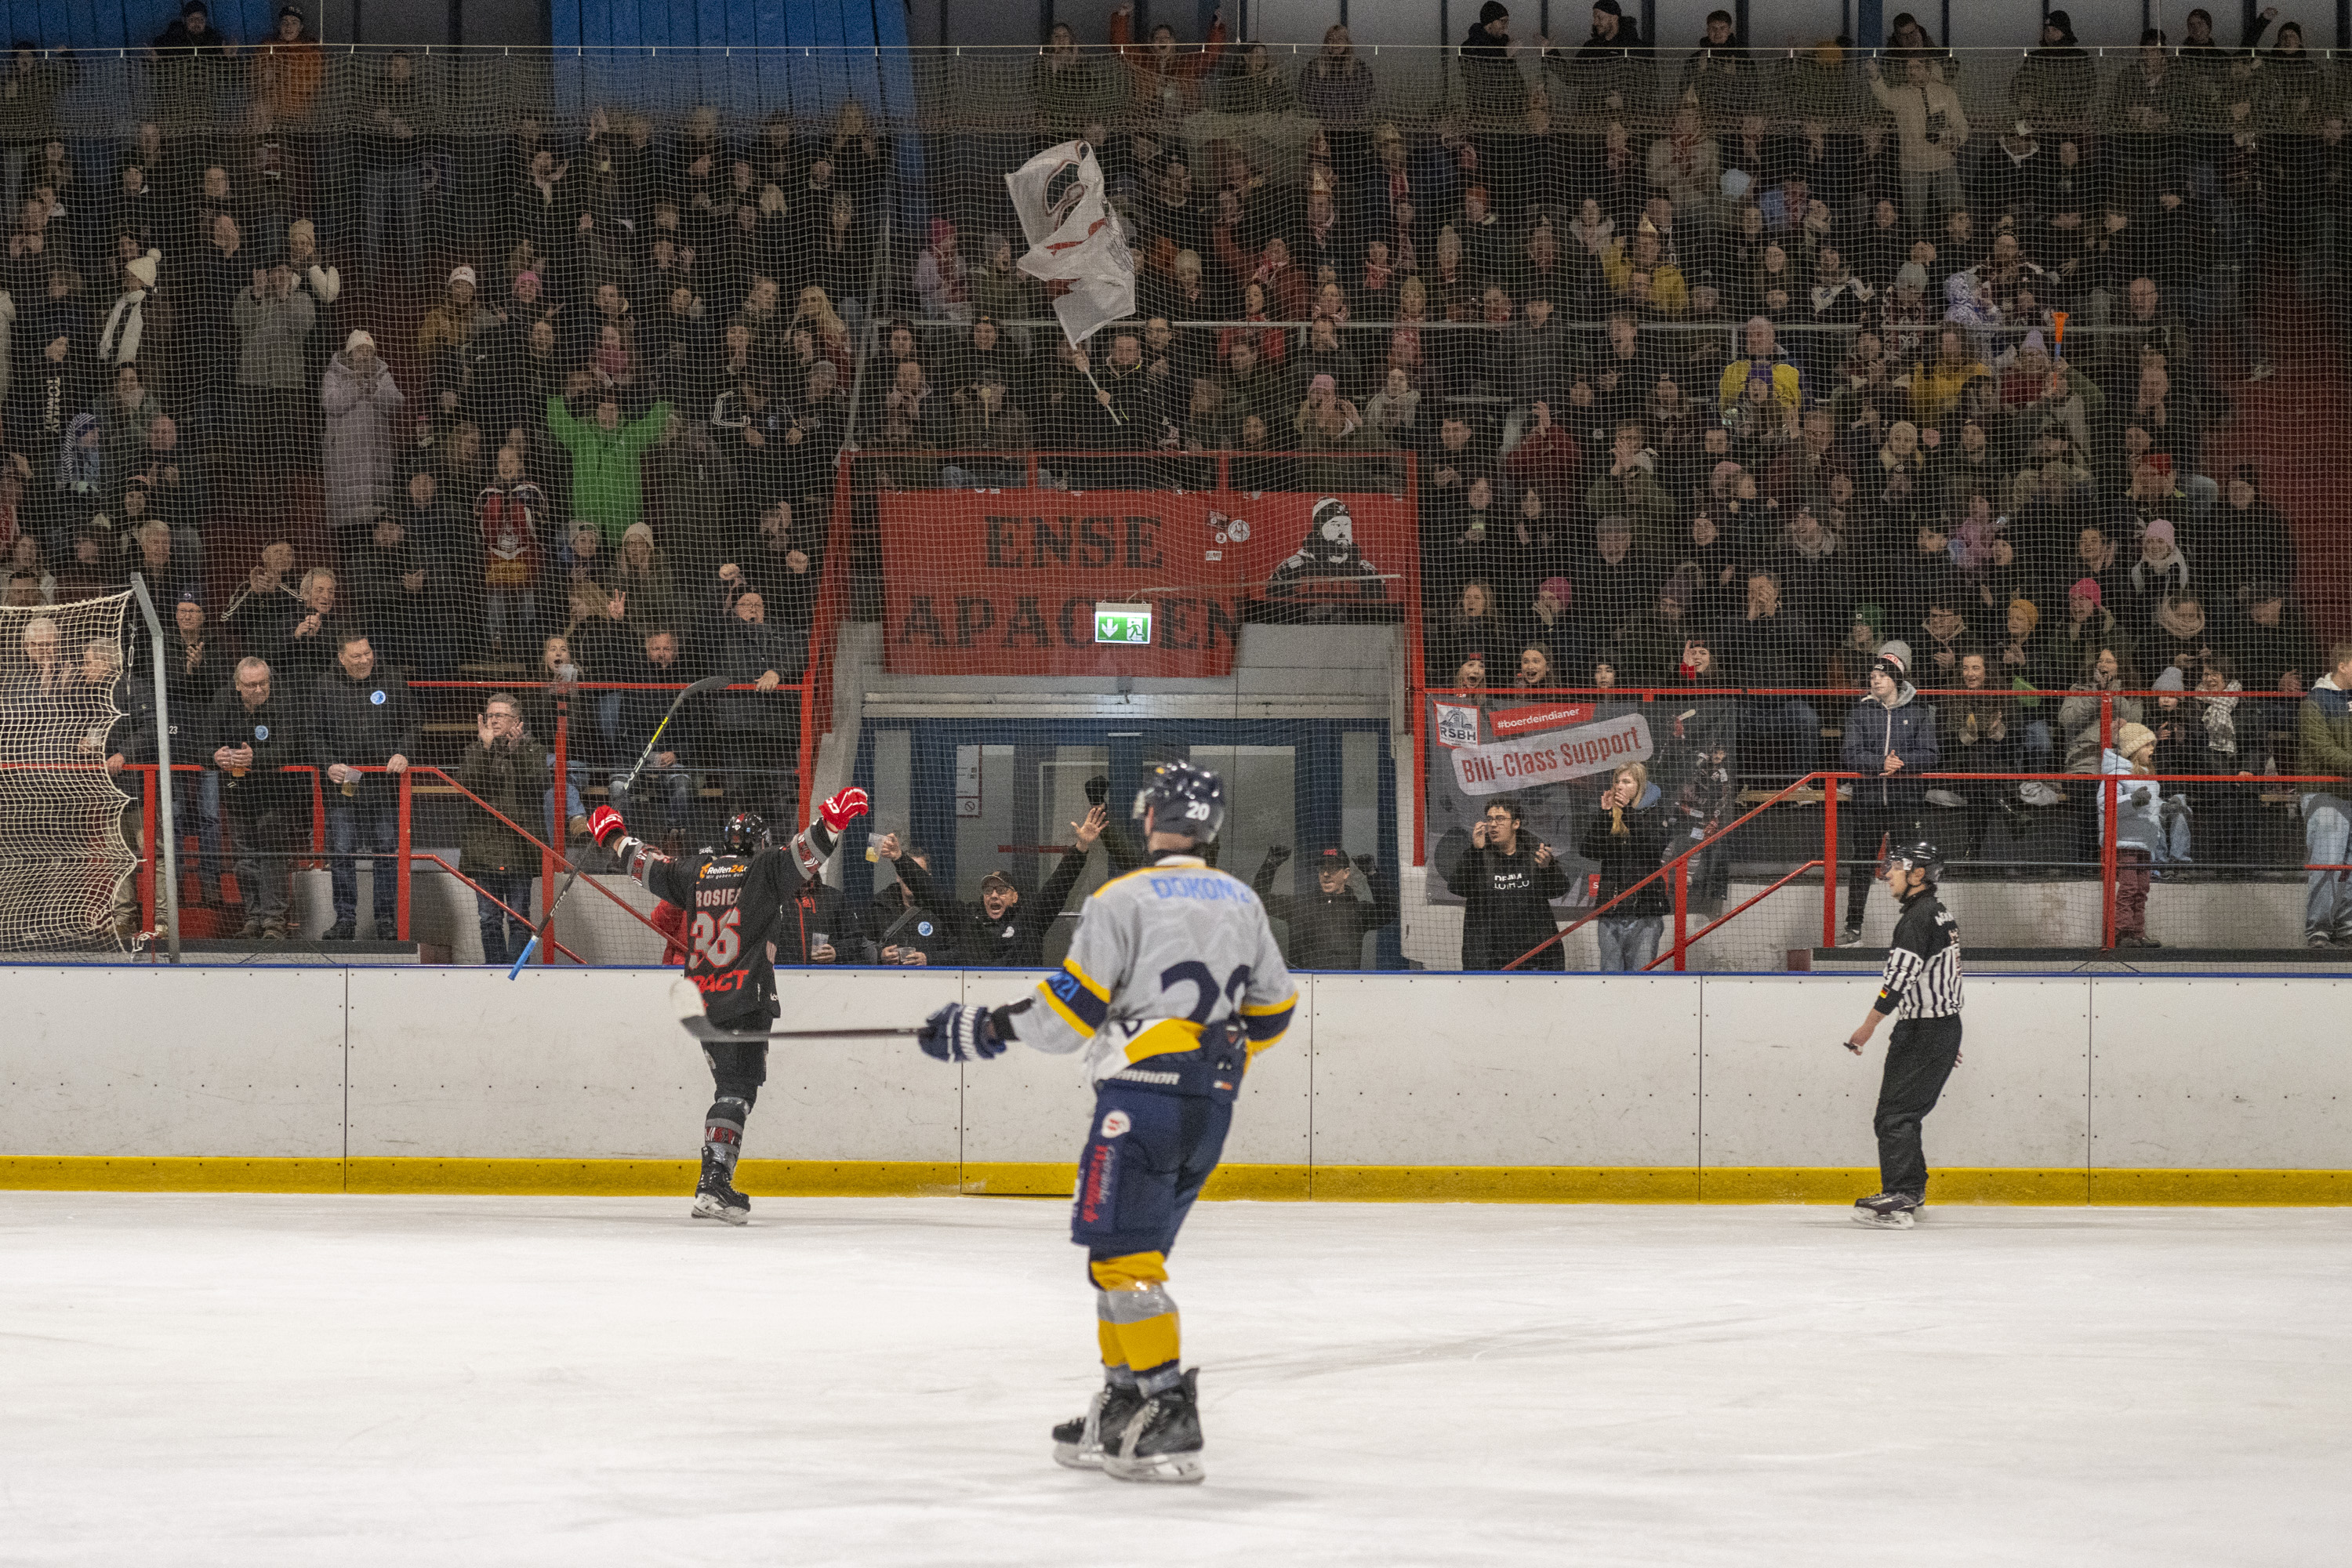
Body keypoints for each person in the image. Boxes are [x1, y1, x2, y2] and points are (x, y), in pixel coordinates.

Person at [912, 761, 1294, 1485]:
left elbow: (1066, 1018)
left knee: (1124, 1260)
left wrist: (977, 1029)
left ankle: (1165, 1403)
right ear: (1209, 827)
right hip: (1211, 1103)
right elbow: (1273, 1013)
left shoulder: (1123, 897)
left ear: (1150, 818)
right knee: (1124, 1254)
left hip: (1139, 1103)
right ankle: (1123, 1403)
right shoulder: (1242, 901)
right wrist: (1210, 1051)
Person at [587, 788, 874, 1224]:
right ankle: (713, 1184)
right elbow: (805, 853)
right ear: (760, 844)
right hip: (745, 997)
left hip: (702, 1000)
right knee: (738, 1092)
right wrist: (833, 823)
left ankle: (714, 1182)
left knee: (732, 1090)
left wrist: (613, 836)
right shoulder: (764, 868)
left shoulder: (696, 871)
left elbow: (647, 866)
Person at [1840, 840, 1965, 1229]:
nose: (1887, 874)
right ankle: (1911, 1190)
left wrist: (1867, 1028)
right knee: (1904, 1113)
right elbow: (1943, 979)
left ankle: (1900, 1198)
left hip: (1925, 1030)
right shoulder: (1938, 913)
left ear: (1918, 874)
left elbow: (1898, 980)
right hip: (1937, 1028)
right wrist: (1944, 1038)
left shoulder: (1917, 919)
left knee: (1894, 1116)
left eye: (1895, 867)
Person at [309, 631, 416, 941]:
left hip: (383, 785)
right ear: (341, 658)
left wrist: (403, 752)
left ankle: (386, 921)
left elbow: (412, 722)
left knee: (385, 850)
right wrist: (327, 762)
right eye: (356, 656)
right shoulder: (324, 686)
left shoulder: (392, 680)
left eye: (367, 652)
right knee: (341, 851)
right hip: (345, 785)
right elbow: (313, 733)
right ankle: (345, 920)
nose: (365, 659)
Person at [1838, 641, 1940, 945]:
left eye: (1882, 676)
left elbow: (1932, 754)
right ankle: (1853, 929)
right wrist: (1880, 763)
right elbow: (1850, 753)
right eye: (1872, 676)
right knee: (1861, 866)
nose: (1876, 680)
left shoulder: (1919, 713)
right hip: (1868, 802)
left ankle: (1913, 933)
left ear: (1897, 678)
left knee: (1910, 870)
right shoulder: (1860, 712)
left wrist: (1902, 762)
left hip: (1905, 802)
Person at [207, 657, 303, 941]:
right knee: (244, 857)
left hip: (277, 794)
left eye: (263, 683)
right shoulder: (223, 700)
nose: (259, 690)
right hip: (238, 794)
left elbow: (293, 747)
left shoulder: (285, 700)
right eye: (251, 685)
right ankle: (253, 917)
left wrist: (256, 758)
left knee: (272, 855)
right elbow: (201, 742)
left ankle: (274, 921)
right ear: (238, 685)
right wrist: (215, 756)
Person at [456, 691, 547, 966]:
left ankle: (517, 972)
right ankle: (495, 970)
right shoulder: (475, 749)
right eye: (490, 715)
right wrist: (484, 750)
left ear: (516, 720)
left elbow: (538, 785)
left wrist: (517, 751)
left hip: (519, 847)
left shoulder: (533, 749)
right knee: (488, 918)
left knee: (519, 917)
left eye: (500, 715)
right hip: (483, 846)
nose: (493, 720)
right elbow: (466, 787)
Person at [955, 806, 1109, 967]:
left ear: (1015, 896)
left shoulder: (1032, 919)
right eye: (988, 891)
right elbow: (936, 898)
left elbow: (1058, 886)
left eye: (1001, 890)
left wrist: (1081, 845)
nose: (994, 895)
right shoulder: (971, 920)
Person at [1444, 793, 1570, 970]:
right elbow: (1457, 887)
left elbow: (1558, 890)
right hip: (1490, 955)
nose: (1493, 824)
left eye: (1500, 819)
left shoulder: (1536, 852)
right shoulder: (1479, 852)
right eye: (1490, 819)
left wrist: (1548, 869)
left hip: (1532, 954)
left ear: (1516, 824)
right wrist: (1475, 852)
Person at [1579, 763, 1671, 971]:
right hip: (1611, 910)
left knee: (1640, 978)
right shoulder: (1611, 815)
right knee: (1610, 979)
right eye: (1617, 781)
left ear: (1639, 786)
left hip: (1645, 911)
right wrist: (1604, 816)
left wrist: (1628, 812)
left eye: (1626, 782)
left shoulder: (1655, 813)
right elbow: (1588, 851)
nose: (1619, 786)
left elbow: (1655, 846)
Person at [1248, 844, 1396, 970]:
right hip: (1303, 987)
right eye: (1322, 869)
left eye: (1332, 868)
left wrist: (1372, 874)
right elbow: (1259, 901)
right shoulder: (1299, 905)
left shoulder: (1358, 910)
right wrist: (1270, 865)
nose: (1326, 874)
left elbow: (1389, 912)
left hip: (1344, 988)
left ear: (1346, 874)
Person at [2297, 643, 2352, 949]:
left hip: (2349, 790)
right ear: (2343, 666)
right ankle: (2318, 929)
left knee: (2349, 864)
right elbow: (2323, 749)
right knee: (2328, 861)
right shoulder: (2315, 702)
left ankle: (2345, 926)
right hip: (2325, 793)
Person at [2100, 721, 2171, 948]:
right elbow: (2106, 804)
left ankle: (2138, 933)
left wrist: (2165, 808)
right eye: (2148, 745)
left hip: (2145, 840)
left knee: (2142, 889)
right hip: (2125, 840)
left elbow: (2151, 805)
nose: (2152, 749)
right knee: (2129, 887)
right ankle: (2121, 933)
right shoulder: (2117, 774)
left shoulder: (2148, 774)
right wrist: (2132, 801)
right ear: (2134, 748)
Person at [863, 833, 958, 965]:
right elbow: (861, 947)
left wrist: (929, 959)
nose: (910, 881)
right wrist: (879, 955)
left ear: (926, 878)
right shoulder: (879, 906)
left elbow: (958, 951)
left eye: (915, 875)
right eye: (906, 875)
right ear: (898, 876)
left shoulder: (941, 910)